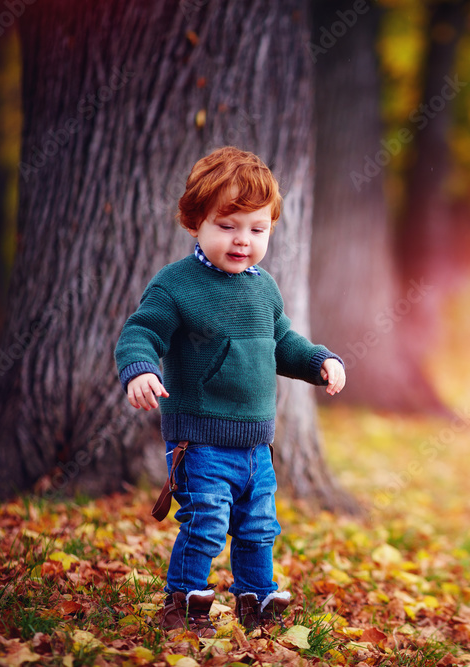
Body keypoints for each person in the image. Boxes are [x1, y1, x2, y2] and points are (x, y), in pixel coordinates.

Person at [114, 146, 346, 636]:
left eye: (257, 230)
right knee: (205, 522)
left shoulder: (263, 288)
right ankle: (184, 600)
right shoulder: (177, 285)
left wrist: (321, 360)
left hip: (256, 444)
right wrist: (138, 368)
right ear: (196, 221)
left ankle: (256, 598)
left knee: (259, 526)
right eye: (228, 226)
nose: (243, 241)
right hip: (199, 440)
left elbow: (283, 342)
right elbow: (142, 332)